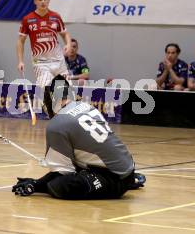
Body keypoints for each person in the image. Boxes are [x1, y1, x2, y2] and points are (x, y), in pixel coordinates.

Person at [12, 75, 145, 199]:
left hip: (114, 178)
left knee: (58, 185)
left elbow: (62, 172)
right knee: (72, 167)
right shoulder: (86, 106)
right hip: (127, 167)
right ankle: (130, 180)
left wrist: (36, 184)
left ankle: (124, 184)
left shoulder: (56, 124)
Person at [16, 0, 72, 116]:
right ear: (35, 1)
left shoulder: (55, 17)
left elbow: (65, 34)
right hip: (40, 63)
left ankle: (64, 116)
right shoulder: (28, 19)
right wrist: (20, 61)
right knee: (47, 89)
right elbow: (20, 41)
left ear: (49, 0)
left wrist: (68, 44)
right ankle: (52, 114)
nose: (43, 2)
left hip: (58, 61)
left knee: (65, 92)